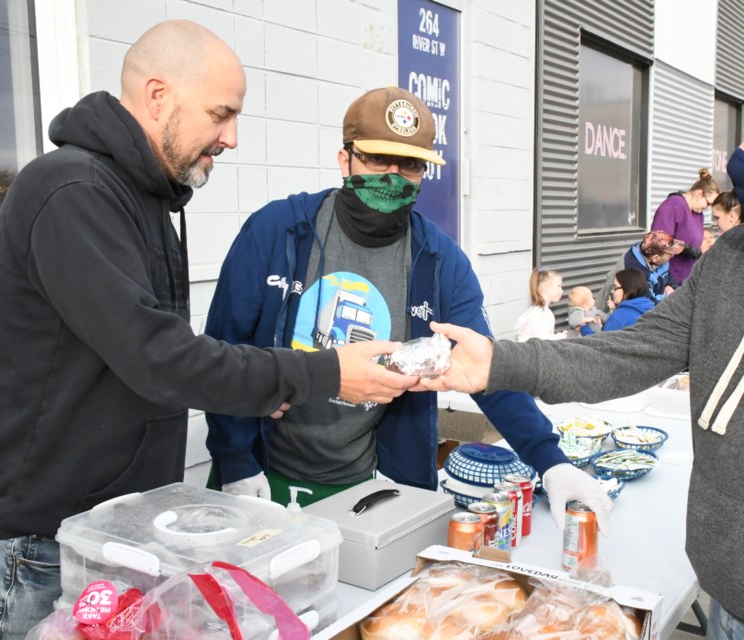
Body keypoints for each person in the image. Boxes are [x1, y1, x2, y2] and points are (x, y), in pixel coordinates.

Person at [0, 21, 417, 639]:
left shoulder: (143, 200)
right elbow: (159, 357)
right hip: (43, 548)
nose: (230, 137)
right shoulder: (73, 191)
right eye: (221, 114)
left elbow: (154, 363)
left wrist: (260, 390)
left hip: (117, 536)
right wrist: (325, 372)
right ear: (157, 95)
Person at [417, 52, 744, 638]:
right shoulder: (736, 260)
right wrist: (499, 361)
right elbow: (626, 355)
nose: (735, 168)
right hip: (726, 596)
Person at [203, 87, 611, 531]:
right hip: (262, 475)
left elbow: (486, 367)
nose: (393, 177)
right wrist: (235, 460)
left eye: (411, 165)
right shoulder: (277, 231)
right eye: (378, 159)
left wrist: (549, 460)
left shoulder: (439, 261)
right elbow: (222, 351)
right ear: (346, 161)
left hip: (372, 489)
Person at [650, 168, 720, 285]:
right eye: (708, 203)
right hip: (669, 279)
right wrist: (685, 248)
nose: (707, 208)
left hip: (688, 279)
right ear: (699, 193)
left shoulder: (698, 214)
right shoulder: (674, 205)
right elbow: (658, 241)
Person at [598, 230, 683, 305]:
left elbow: (668, 276)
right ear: (655, 258)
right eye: (669, 254)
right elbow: (648, 302)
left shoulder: (655, 257)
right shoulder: (633, 273)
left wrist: (671, 286)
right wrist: (671, 298)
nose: (672, 256)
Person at [515, 268, 568, 342]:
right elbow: (544, 342)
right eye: (558, 286)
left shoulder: (543, 311)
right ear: (545, 288)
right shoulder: (539, 315)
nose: (562, 291)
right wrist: (560, 336)